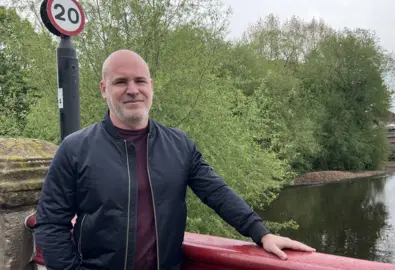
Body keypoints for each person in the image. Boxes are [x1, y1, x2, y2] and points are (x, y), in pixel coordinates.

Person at [34, 49, 315, 270]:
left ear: (151, 87)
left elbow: (216, 193)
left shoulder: (179, 145)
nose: (133, 89)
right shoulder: (75, 149)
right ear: (104, 89)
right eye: (120, 82)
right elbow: (50, 223)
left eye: (140, 81)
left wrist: (261, 233)